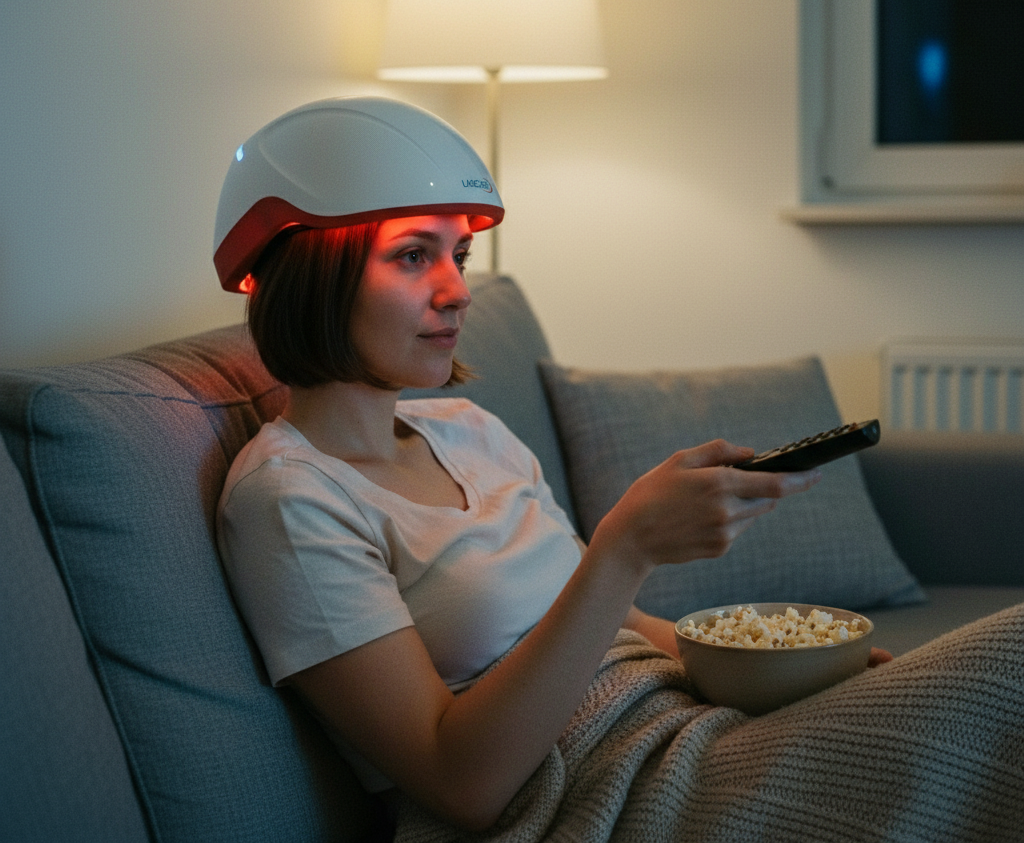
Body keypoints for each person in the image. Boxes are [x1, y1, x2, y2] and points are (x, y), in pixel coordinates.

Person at [214, 98, 1021, 843]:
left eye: (458, 254)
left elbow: (622, 629)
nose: (458, 291)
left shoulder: (470, 431)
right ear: (310, 271)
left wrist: (785, 674)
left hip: (686, 731)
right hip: (596, 797)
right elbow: (462, 786)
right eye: (414, 257)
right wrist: (624, 546)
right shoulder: (291, 499)